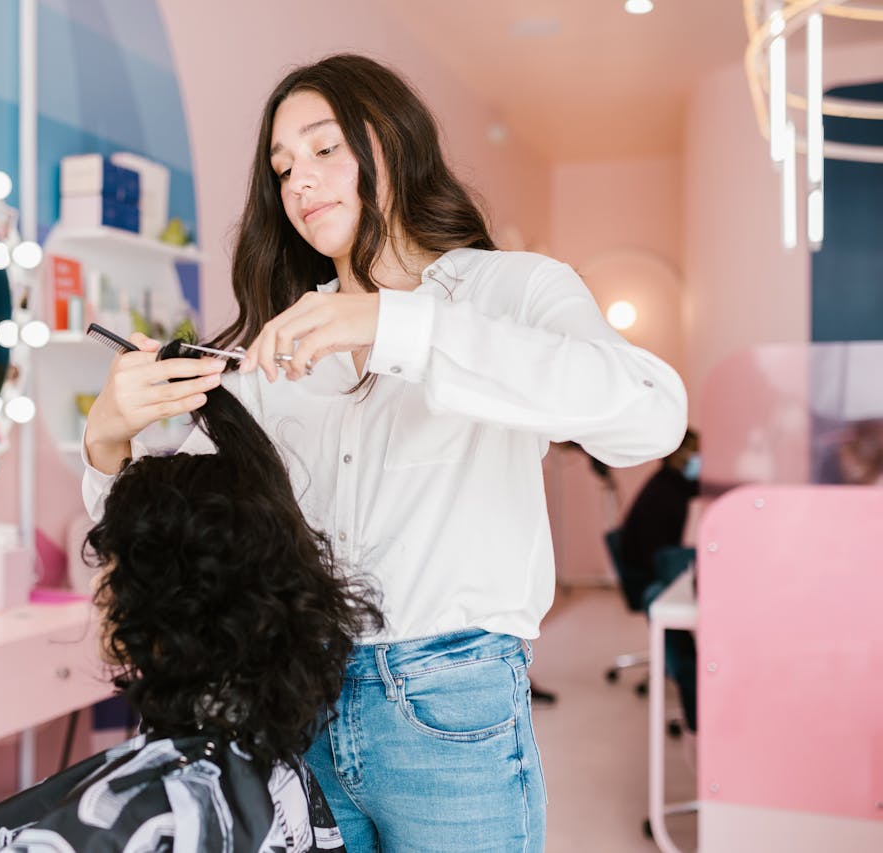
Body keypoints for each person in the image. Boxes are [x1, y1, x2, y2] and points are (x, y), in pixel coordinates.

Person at [82, 54, 687, 851]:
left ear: (394, 144)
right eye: (282, 167)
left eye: (324, 147)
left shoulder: (510, 290)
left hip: (452, 698)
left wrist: (392, 324)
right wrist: (107, 439)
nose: (299, 180)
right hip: (298, 700)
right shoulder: (282, 342)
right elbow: (171, 544)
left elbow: (651, 415)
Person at [0, 383, 383, 852]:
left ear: (165, 599)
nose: (97, 588)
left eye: (110, 565)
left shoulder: (135, 816)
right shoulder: (273, 764)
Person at [619, 429, 700, 731]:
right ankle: (693, 688)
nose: (701, 459)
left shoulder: (673, 483)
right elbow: (654, 557)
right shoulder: (664, 493)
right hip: (645, 576)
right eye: (697, 453)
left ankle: (696, 681)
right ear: (681, 456)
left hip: (653, 565)